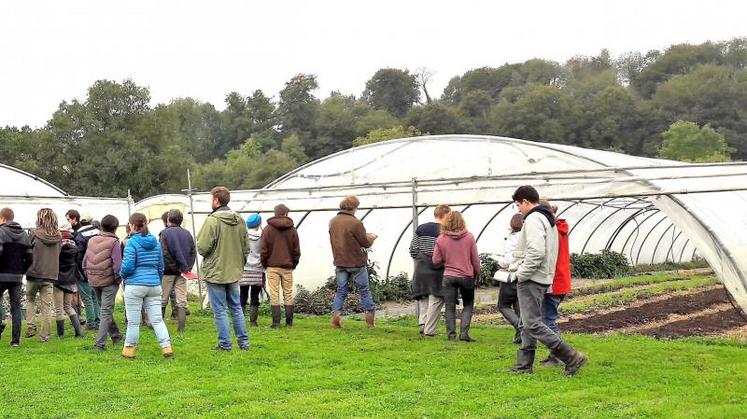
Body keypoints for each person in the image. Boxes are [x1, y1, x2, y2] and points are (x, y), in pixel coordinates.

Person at [509, 186, 586, 376]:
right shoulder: (547, 218)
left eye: (519, 205)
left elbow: (536, 252)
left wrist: (522, 273)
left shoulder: (534, 219)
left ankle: (571, 356)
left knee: (532, 324)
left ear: (526, 202)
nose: (518, 209)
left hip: (532, 278)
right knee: (526, 323)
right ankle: (524, 365)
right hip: (541, 277)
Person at [196, 186, 250, 351]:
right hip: (234, 271)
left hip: (216, 271)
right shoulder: (239, 219)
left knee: (219, 310)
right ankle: (244, 343)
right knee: (236, 307)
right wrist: (239, 263)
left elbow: (203, 247)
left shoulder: (212, 220)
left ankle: (225, 344)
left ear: (216, 200)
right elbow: (246, 246)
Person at [119, 213, 172, 359]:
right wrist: (156, 279)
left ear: (132, 226)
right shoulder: (155, 242)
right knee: (157, 319)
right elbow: (161, 266)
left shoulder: (131, 243)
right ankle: (166, 347)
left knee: (134, 322)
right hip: (154, 284)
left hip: (135, 285)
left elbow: (128, 266)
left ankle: (129, 350)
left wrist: (121, 274)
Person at [328, 195, 377, 329]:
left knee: (341, 291)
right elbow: (364, 243)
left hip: (340, 262)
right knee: (364, 291)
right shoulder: (355, 222)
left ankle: (336, 315)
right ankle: (370, 321)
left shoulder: (333, 221)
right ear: (354, 208)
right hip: (356, 263)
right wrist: (371, 238)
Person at [432, 211, 480, 342]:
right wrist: (477, 272)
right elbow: (475, 260)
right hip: (466, 276)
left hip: (449, 276)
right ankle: (464, 333)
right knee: (468, 304)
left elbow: (435, 260)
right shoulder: (469, 237)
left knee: (450, 306)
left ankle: (451, 335)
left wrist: (447, 260)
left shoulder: (441, 239)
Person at [538, 201, 572, 367]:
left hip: (553, 281)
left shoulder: (552, 231)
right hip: (560, 280)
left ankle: (560, 356)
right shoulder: (560, 228)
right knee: (547, 319)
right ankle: (555, 354)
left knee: (548, 321)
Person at [409, 204, 451, 336]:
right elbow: (446, 252)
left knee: (423, 295)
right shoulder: (446, 231)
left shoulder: (421, 228)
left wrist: (420, 259)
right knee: (436, 298)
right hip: (437, 270)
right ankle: (430, 329)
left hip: (421, 267)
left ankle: (422, 323)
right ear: (446, 215)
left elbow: (413, 249)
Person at [84, 215, 123, 350]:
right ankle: (100, 344)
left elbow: (85, 261)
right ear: (115, 228)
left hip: (94, 279)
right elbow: (117, 265)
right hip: (109, 281)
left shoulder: (91, 240)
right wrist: (118, 279)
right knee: (105, 312)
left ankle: (116, 335)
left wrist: (89, 275)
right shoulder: (114, 242)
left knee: (104, 310)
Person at [260, 204, 301, 329]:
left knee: (274, 293)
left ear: (275, 213)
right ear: (286, 214)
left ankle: (276, 323)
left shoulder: (267, 229)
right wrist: (293, 264)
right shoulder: (292, 229)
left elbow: (263, 250)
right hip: (287, 266)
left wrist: (265, 264)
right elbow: (296, 250)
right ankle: (289, 323)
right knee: (288, 293)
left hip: (272, 266)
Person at [25, 208, 62, 342]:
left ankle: (30, 326)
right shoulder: (59, 236)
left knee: (30, 299)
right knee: (47, 307)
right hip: (50, 275)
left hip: (33, 273)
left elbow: (27, 252)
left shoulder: (33, 233)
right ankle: (45, 336)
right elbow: (59, 253)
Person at [159, 209, 196, 333]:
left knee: (163, 298)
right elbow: (193, 252)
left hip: (168, 271)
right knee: (181, 300)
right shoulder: (187, 233)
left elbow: (164, 254)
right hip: (183, 271)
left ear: (169, 219)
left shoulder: (164, 233)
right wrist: (187, 268)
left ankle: (160, 327)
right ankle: (181, 328)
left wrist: (173, 267)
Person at [0, 207, 33, 347]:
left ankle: (1, 324)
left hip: (1, 275)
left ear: (3, 218)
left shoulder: (1, 231)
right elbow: (30, 257)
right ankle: (15, 341)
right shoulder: (24, 234)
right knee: (16, 308)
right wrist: (22, 270)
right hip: (17, 277)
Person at [66, 210, 101, 330]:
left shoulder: (79, 235)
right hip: (98, 268)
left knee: (87, 298)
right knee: (95, 297)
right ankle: (98, 320)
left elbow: (78, 254)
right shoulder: (98, 232)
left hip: (83, 270)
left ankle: (91, 322)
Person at [494, 213, 524, 344]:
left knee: (503, 305)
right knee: (518, 303)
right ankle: (520, 336)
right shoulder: (527, 237)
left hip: (510, 275)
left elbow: (509, 259)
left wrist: (500, 262)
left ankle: (520, 327)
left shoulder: (512, 238)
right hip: (523, 275)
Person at [55, 230, 84, 338]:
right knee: (68, 306)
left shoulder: (58, 249)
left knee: (59, 308)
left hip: (58, 280)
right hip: (71, 280)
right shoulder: (75, 249)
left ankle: (60, 334)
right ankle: (79, 332)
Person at [240, 213, 264, 327]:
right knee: (255, 296)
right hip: (258, 270)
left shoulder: (243, 236)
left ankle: (240, 320)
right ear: (259, 223)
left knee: (242, 296)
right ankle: (253, 322)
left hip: (244, 269)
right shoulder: (263, 236)